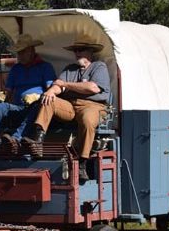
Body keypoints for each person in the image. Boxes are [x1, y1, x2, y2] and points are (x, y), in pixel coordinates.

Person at [27, 34, 110, 180]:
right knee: (49, 99)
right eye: (75, 50)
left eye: (80, 50)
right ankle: (38, 141)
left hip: (93, 105)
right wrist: (51, 91)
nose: (77, 53)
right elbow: (57, 85)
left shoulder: (99, 66)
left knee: (87, 119)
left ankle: (83, 163)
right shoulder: (70, 69)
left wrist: (65, 84)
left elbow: (92, 88)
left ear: (90, 52)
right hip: (71, 105)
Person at [0, 34, 55, 151]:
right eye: (18, 52)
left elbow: (51, 90)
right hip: (17, 108)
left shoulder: (45, 67)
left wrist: (37, 97)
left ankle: (16, 139)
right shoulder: (16, 69)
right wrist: (3, 96)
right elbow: (8, 91)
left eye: (22, 52)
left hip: (36, 108)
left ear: (31, 51)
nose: (20, 55)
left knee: (36, 107)